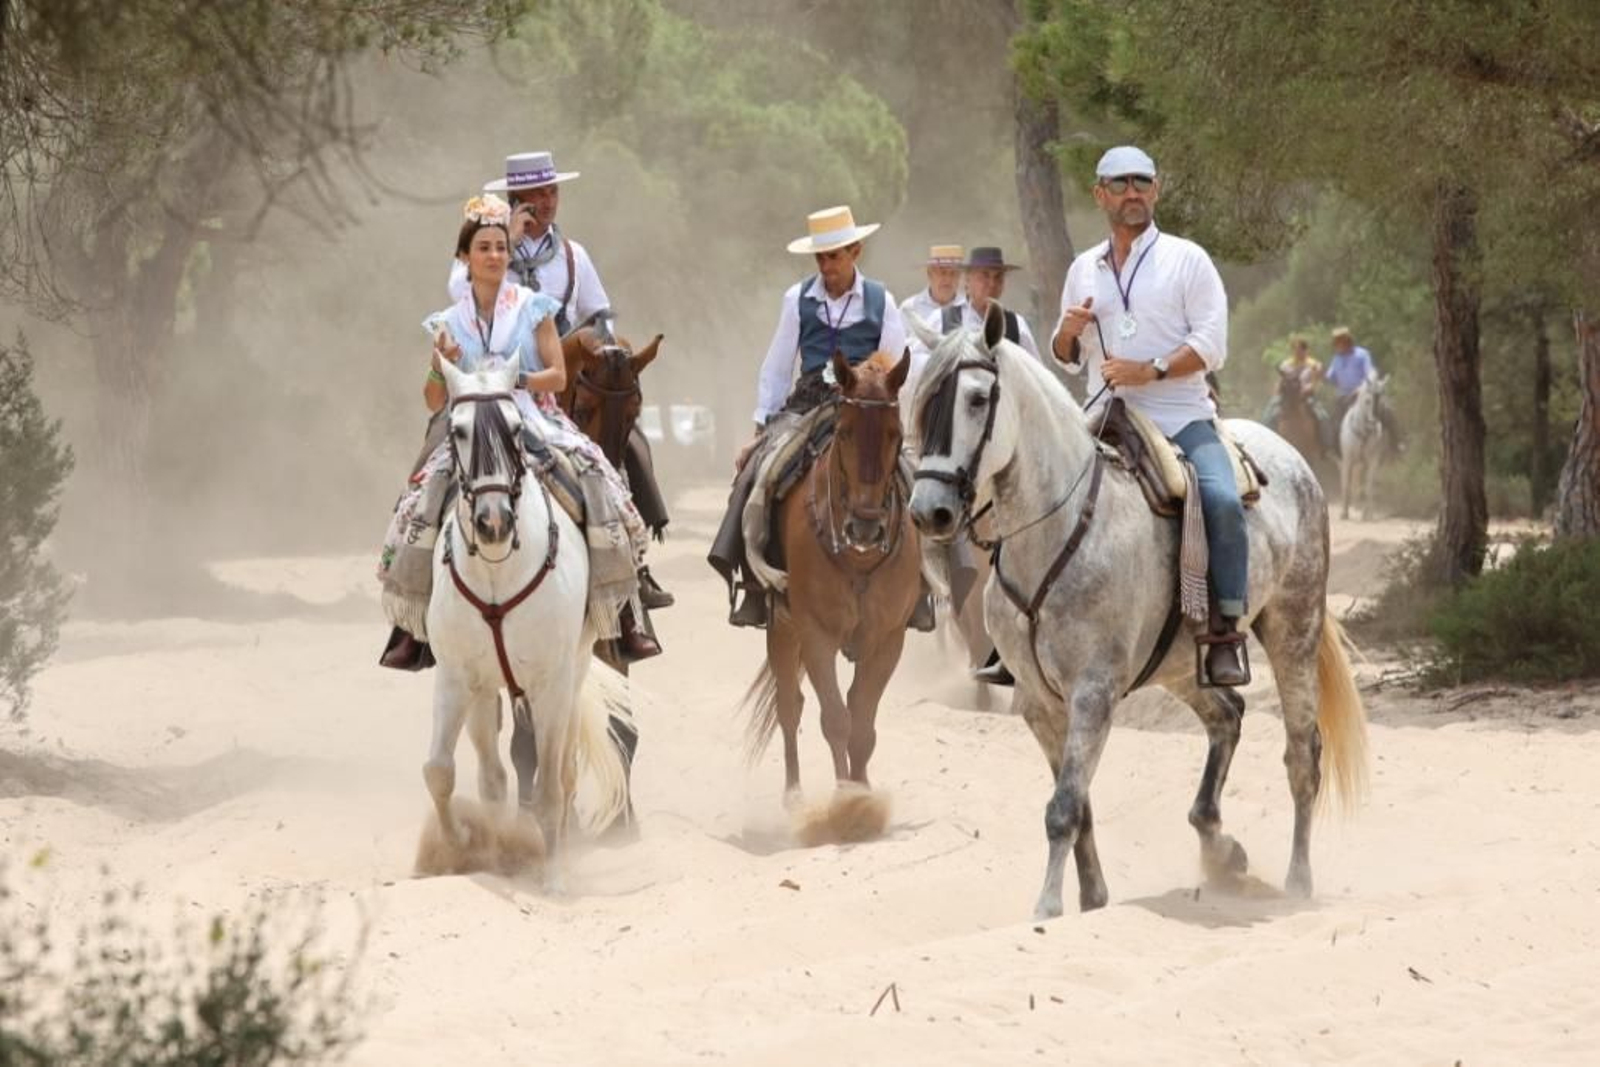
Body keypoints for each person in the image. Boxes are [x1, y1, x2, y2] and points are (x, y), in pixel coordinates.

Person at [379, 194, 659, 670]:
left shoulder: (533, 308)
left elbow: (559, 376)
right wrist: (439, 367)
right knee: (421, 497)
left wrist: (517, 381)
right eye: (484, 248)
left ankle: (622, 612)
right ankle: (412, 623)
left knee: (597, 479)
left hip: (529, 414)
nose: (494, 256)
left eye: (500, 248)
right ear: (465, 258)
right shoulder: (448, 322)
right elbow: (433, 401)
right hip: (469, 418)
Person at [1047, 144, 1248, 687]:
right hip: (1102, 416)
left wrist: (1151, 370)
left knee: (1224, 500)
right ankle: (1018, 627)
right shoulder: (1083, 267)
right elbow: (1068, 359)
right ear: (1099, 195)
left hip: (1180, 415)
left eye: (1142, 182)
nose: (1132, 192)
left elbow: (1212, 345)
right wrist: (1067, 332)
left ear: (1156, 190)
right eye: (1120, 183)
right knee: (1030, 488)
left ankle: (1225, 631)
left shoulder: (1188, 259)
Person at [450, 151, 674, 609]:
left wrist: (602, 355)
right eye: (537, 194)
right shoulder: (487, 248)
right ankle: (418, 593)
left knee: (624, 448)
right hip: (486, 385)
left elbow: (598, 315)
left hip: (562, 383)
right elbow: (458, 294)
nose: (548, 201)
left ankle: (632, 574)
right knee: (436, 452)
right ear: (517, 201)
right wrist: (506, 244)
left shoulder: (574, 255)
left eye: (552, 191)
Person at [708, 204, 929, 630]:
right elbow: (776, 366)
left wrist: (872, 383)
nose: (826, 266)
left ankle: (923, 585)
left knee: (913, 475)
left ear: (855, 252)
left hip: (866, 405)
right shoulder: (797, 299)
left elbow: (899, 361)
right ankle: (753, 582)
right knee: (760, 470)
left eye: (834, 256)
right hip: (808, 403)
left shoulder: (882, 299)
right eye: (821, 258)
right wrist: (761, 429)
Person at [899, 245, 968, 411]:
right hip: (915, 398)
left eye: (953, 273)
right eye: (942, 272)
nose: (947, 279)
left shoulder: (969, 310)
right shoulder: (909, 308)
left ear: (960, 277)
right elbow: (898, 352)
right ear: (930, 274)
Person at [1325, 325, 1402, 453]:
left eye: (1339, 341)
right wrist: (1326, 376)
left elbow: (1370, 372)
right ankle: (1334, 448)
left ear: (1347, 341)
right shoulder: (1337, 358)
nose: (1337, 345)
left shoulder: (1362, 354)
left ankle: (1397, 443)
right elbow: (1330, 376)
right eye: (1336, 342)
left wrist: (1361, 388)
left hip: (1363, 394)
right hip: (1344, 396)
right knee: (1332, 420)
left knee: (1386, 410)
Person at [961, 246, 1041, 359]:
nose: (992, 284)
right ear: (967, 280)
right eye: (985, 275)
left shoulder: (1016, 325)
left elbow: (1035, 371)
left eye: (998, 277)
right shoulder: (942, 320)